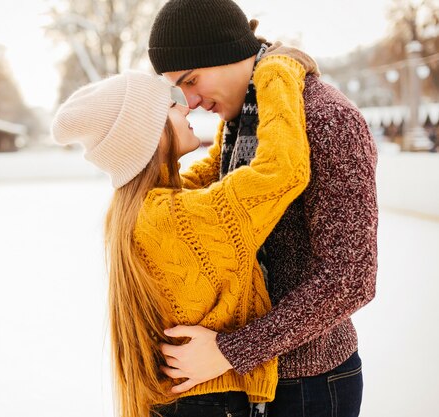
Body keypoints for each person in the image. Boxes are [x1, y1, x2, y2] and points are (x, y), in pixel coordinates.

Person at [147, 1, 378, 416]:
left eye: (192, 80)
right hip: (249, 381)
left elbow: (351, 277)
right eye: (179, 89)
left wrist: (230, 352)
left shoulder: (327, 119)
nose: (191, 101)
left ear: (227, 52)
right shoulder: (242, 122)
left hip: (309, 384)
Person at [51, 53, 311, 417]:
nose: (186, 106)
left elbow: (214, 172)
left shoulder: (141, 210)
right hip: (208, 405)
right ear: (149, 134)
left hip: (185, 403)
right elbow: (282, 171)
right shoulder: (177, 217)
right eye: (170, 104)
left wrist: (232, 110)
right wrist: (277, 72)